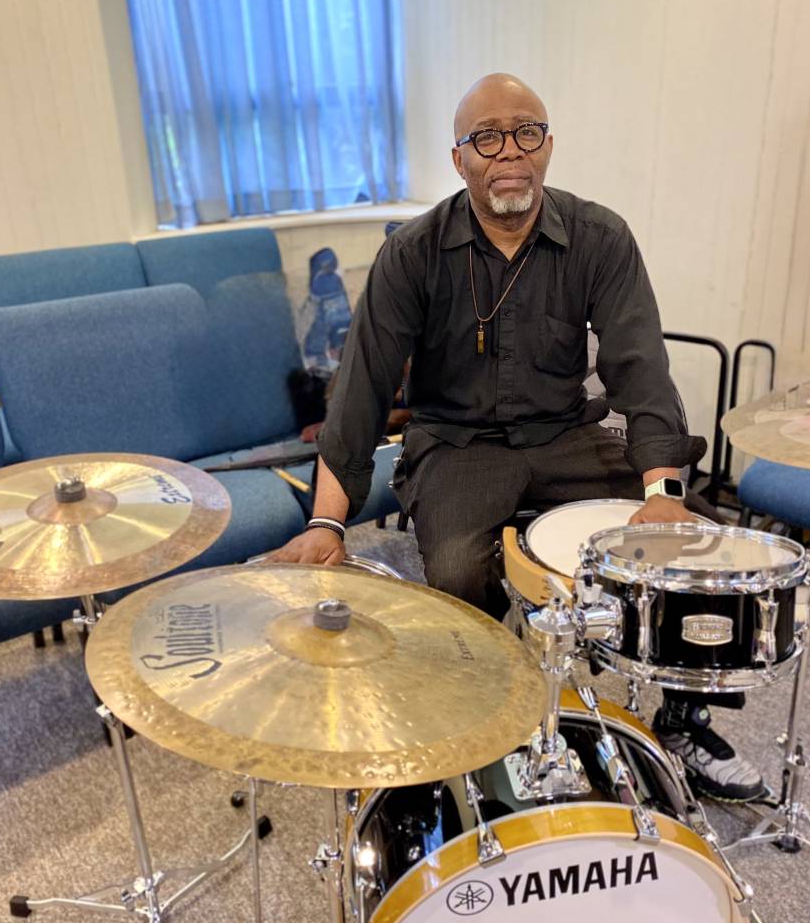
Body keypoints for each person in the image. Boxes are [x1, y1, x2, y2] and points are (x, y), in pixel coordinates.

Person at [270, 73, 765, 803]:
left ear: (548, 146)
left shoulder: (600, 237)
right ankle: (488, 716)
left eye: (526, 132)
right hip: (457, 443)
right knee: (457, 572)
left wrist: (662, 492)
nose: (509, 151)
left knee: (700, 544)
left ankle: (686, 721)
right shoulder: (413, 253)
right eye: (487, 137)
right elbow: (361, 389)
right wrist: (326, 523)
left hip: (566, 434)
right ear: (459, 159)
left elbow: (639, 366)